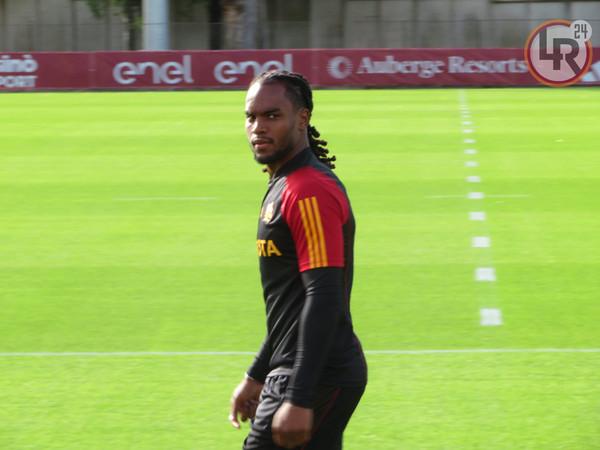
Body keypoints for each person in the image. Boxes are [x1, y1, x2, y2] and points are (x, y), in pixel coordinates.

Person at [229, 70, 367, 450]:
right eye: (251, 116)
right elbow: (289, 305)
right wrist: (256, 373)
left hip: (315, 374)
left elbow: (323, 296)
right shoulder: (283, 183)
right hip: (299, 371)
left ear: (302, 118)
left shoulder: (308, 190)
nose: (258, 127)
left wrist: (300, 396)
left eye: (272, 115)